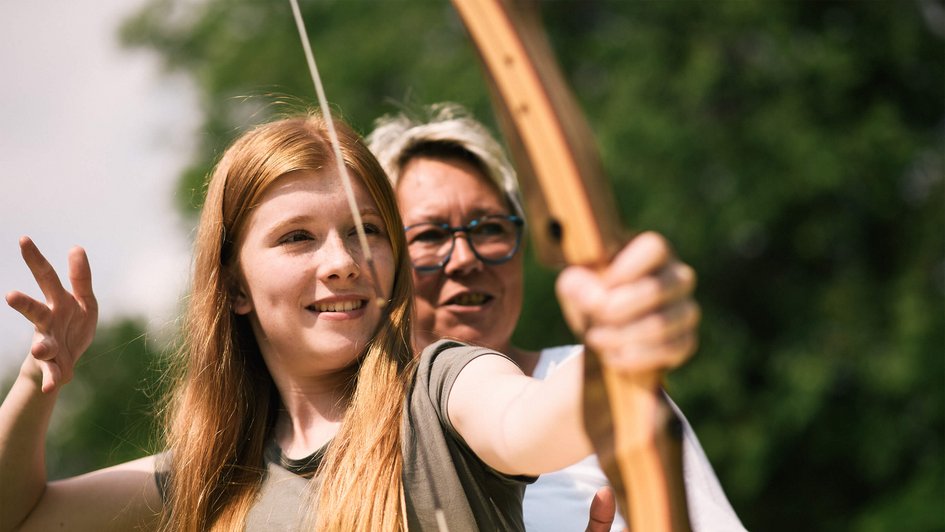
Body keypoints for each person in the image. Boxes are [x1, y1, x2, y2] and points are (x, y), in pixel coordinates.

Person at [0, 111, 699, 531]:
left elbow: (532, 424)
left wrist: (619, 352)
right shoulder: (214, 469)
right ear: (234, 285)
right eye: (297, 237)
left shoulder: (440, 386)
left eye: (365, 230)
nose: (342, 261)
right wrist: (39, 379)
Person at [367, 103, 747, 532]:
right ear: (381, 259)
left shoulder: (593, 379)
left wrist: (623, 341)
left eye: (490, 228)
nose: (465, 259)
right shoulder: (350, 425)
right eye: (430, 236)